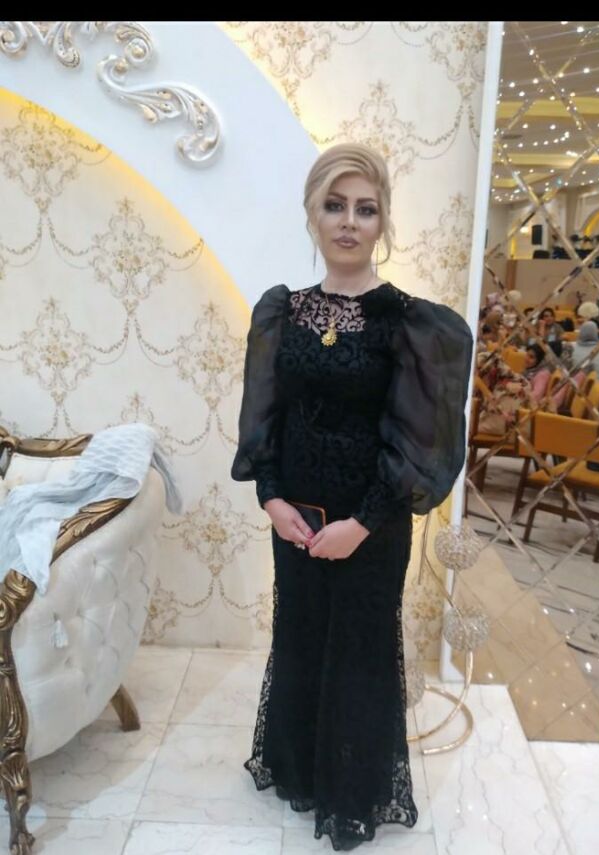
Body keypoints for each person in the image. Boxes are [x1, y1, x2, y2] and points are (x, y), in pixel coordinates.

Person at [231, 142, 473, 850]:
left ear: (383, 221)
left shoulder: (410, 322)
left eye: (365, 209)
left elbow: (422, 444)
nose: (348, 221)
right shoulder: (281, 311)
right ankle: (300, 771)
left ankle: (352, 793)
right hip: (296, 522)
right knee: (301, 635)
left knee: (361, 652)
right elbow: (265, 417)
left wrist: (362, 524)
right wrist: (271, 499)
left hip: (373, 523)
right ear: (312, 213)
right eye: (334, 205)